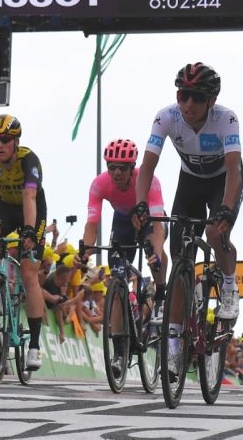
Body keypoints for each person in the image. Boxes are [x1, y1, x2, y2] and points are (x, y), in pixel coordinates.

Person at [135, 62, 243, 337]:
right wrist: (141, 204)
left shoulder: (226, 119)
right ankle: (173, 340)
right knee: (179, 258)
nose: (189, 104)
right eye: (184, 96)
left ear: (211, 101)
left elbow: (233, 168)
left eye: (197, 97)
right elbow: (147, 167)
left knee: (214, 232)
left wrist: (226, 210)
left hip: (223, 182)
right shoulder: (166, 118)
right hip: (191, 181)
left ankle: (229, 285)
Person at [81, 138, 168, 377]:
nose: (117, 172)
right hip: (122, 222)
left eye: (122, 167)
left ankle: (161, 293)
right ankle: (119, 352)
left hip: (150, 219)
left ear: (132, 168)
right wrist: (86, 249)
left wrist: (156, 252)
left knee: (154, 251)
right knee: (117, 282)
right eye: (112, 167)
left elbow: (158, 227)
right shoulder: (99, 184)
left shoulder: (149, 181)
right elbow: (92, 223)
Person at [0, 114, 48, 371]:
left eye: (5, 140)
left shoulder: (28, 159)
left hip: (32, 211)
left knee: (29, 273)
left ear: (16, 142)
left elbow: (30, 196)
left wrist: (29, 231)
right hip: (6, 207)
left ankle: (35, 346)